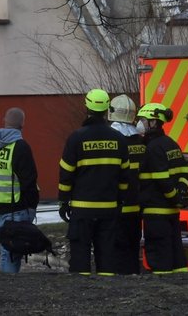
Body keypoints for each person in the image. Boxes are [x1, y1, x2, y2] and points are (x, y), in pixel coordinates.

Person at [57, 88, 130, 275]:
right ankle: (107, 290)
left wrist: (64, 201)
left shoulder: (76, 138)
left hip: (82, 209)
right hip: (109, 208)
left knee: (80, 252)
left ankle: (82, 293)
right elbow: (125, 176)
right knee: (107, 253)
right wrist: (120, 200)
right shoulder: (119, 139)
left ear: (86, 107)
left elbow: (66, 173)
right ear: (107, 109)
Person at [0, 107, 40, 273]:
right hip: (17, 207)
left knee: (6, 247)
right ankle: (8, 285)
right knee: (12, 250)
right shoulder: (20, 147)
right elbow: (29, 181)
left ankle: (6, 283)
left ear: (4, 121)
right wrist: (32, 206)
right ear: (22, 125)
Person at [137, 102, 188, 274]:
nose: (140, 124)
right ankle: (181, 284)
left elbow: (162, 180)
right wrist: (181, 194)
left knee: (159, 256)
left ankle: (164, 291)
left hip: (156, 212)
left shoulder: (152, 148)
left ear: (153, 123)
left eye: (143, 120)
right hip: (172, 213)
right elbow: (185, 172)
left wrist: (175, 196)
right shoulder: (171, 144)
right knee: (176, 253)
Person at [108, 93, 144, 274]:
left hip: (117, 207)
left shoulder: (113, 141)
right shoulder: (140, 141)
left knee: (117, 250)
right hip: (137, 207)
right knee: (132, 247)